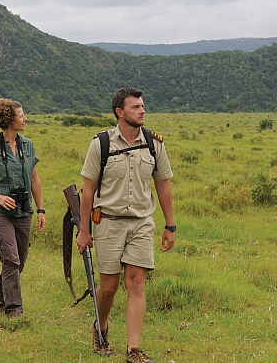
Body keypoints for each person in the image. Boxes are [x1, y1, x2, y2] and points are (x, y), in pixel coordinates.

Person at [76, 87, 176, 363]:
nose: (142, 110)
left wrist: (171, 225)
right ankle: (101, 326)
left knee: (136, 283)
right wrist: (84, 231)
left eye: (143, 106)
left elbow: (164, 186)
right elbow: (88, 191)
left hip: (142, 223)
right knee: (108, 285)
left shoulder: (155, 144)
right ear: (120, 112)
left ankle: (134, 350)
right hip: (108, 222)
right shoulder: (101, 144)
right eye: (135, 107)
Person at [0, 99, 47, 318]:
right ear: (9, 119)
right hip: (0, 211)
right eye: (22, 115)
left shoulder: (29, 145)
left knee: (19, 260)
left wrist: (41, 209)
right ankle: (14, 309)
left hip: (24, 210)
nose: (25, 118)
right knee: (11, 259)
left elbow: (35, 179)